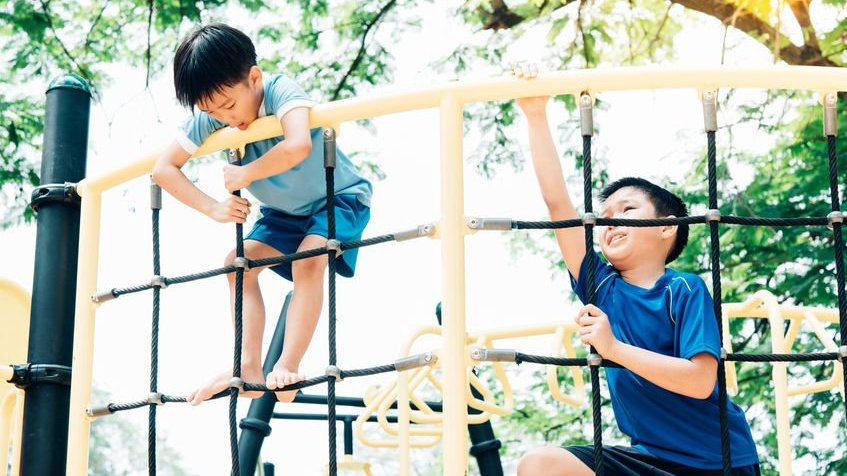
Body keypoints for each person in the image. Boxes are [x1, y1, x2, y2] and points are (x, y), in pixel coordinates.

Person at [513, 74, 760, 475]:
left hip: (718, 462)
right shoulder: (602, 287)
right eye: (605, 217)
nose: (610, 222)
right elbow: (558, 204)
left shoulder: (682, 289)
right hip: (651, 460)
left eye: (627, 210)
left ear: (667, 227)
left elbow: (700, 381)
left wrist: (612, 347)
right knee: (539, 464)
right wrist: (535, 113)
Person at [152, 23, 372, 405]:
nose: (225, 118)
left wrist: (245, 173)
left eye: (229, 105)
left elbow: (298, 144)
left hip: (338, 198)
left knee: (308, 261)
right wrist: (214, 208)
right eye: (211, 111)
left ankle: (288, 366)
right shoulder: (213, 116)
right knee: (237, 265)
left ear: (254, 77)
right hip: (283, 212)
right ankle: (248, 365)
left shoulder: (280, 89)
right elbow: (163, 170)